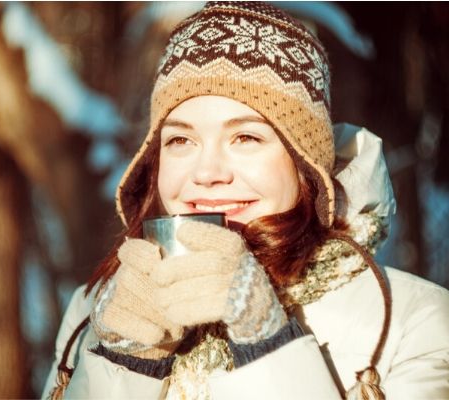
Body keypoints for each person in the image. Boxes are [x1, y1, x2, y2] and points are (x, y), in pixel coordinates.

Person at [42, 2, 449, 399]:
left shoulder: (416, 321)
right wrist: (126, 364)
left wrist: (265, 341)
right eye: (181, 139)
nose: (207, 172)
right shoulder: (92, 313)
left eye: (246, 138)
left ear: (305, 164)